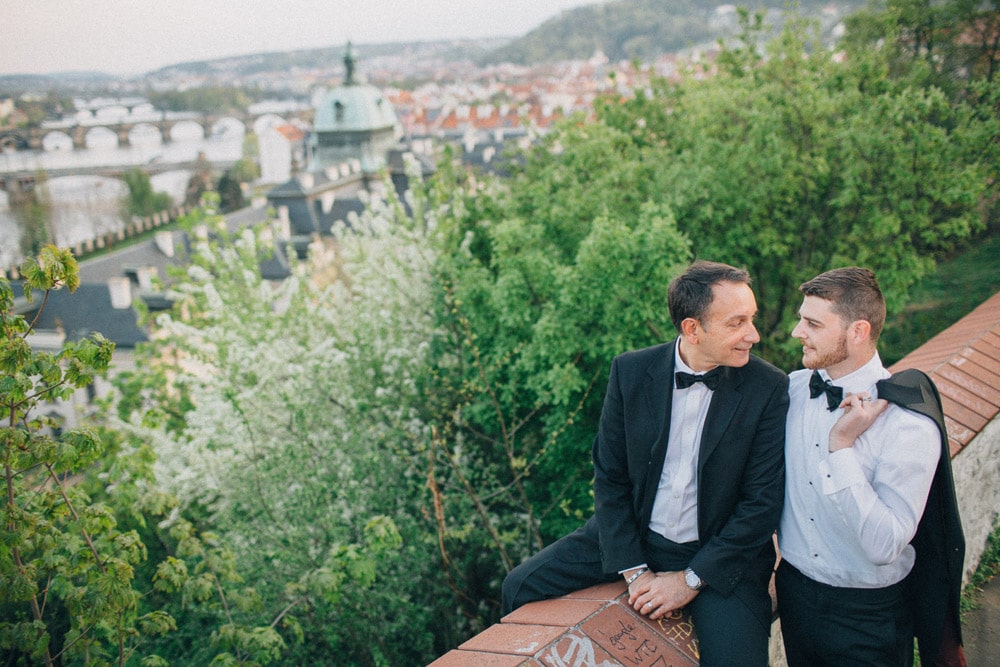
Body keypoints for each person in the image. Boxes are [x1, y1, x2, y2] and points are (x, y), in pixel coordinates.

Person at [501, 260, 789, 666]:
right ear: (692, 329)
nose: (753, 335)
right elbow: (610, 476)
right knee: (519, 586)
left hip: (718, 553)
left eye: (752, 319)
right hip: (638, 536)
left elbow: (761, 504)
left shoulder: (768, 387)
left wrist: (690, 580)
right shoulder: (630, 371)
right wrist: (635, 572)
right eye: (737, 323)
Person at [777, 266, 965, 666]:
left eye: (812, 323)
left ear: (858, 331)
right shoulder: (791, 392)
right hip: (794, 599)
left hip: (868, 616)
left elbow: (885, 546)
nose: (797, 332)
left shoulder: (907, 423)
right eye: (800, 319)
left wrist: (840, 447)